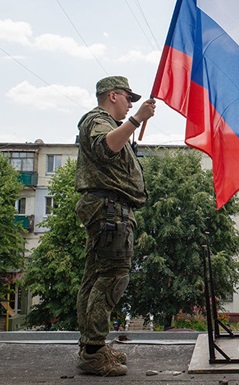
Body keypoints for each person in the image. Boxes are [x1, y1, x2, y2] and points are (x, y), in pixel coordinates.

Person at [74, 76, 155, 376]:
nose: (131, 104)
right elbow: (107, 148)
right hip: (109, 211)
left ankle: (92, 346)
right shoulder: (98, 120)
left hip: (109, 209)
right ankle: (94, 353)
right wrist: (137, 119)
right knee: (112, 277)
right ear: (112, 96)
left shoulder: (108, 122)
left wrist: (133, 121)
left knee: (96, 276)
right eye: (127, 98)